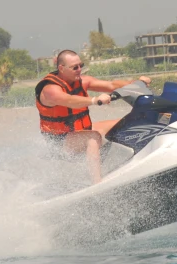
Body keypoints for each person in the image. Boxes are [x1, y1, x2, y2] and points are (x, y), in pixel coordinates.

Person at [35, 49, 151, 184]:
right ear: (61, 68)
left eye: (81, 65)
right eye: (75, 67)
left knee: (127, 122)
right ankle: (97, 184)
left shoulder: (83, 81)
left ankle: (141, 157)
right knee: (93, 137)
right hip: (59, 141)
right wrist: (94, 100)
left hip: (79, 132)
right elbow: (69, 100)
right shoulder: (50, 90)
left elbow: (111, 85)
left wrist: (137, 83)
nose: (79, 69)